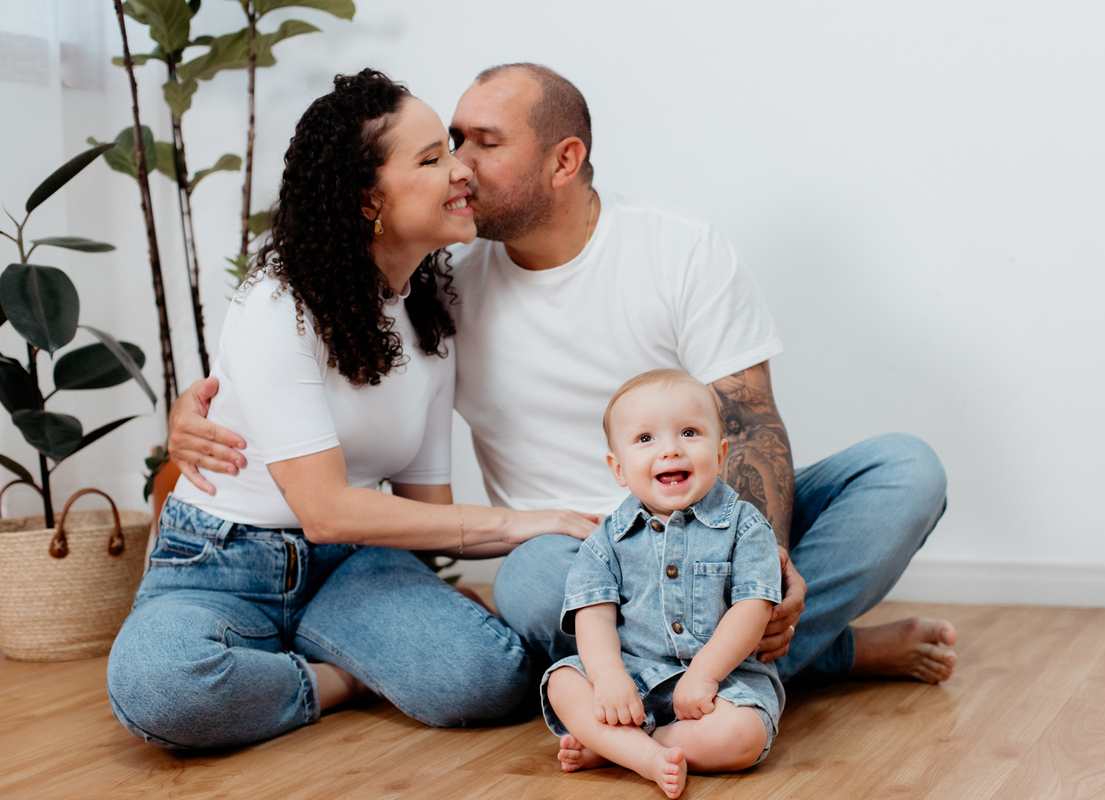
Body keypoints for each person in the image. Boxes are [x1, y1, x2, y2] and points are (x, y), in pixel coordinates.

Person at [168, 63, 958, 705]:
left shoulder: (679, 249)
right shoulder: (440, 287)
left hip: (709, 524)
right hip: (568, 550)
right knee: (540, 592)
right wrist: (194, 413)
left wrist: (760, 559)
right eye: (448, 145)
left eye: (482, 143)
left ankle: (708, 663)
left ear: (564, 160)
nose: (460, 166)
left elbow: (748, 423)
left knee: (905, 469)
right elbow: (307, 356)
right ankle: (804, 659)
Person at [106, 69, 596, 750]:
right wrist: (523, 522)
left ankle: (292, 670)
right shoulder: (278, 303)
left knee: (486, 678)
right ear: (369, 199)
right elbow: (325, 510)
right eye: (432, 158)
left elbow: (429, 515)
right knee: (160, 685)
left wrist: (557, 529)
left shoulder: (430, 314)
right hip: (221, 563)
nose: (461, 170)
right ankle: (339, 677)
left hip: (353, 566)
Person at [544, 370, 784, 798]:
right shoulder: (607, 540)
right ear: (618, 468)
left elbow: (753, 609)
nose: (671, 449)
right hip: (632, 677)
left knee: (743, 735)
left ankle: (621, 747)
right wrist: (609, 676)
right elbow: (594, 616)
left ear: (721, 454)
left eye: (689, 433)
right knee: (563, 681)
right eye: (645, 439)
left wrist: (705, 675)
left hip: (723, 683)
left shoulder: (746, 527)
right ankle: (643, 755)